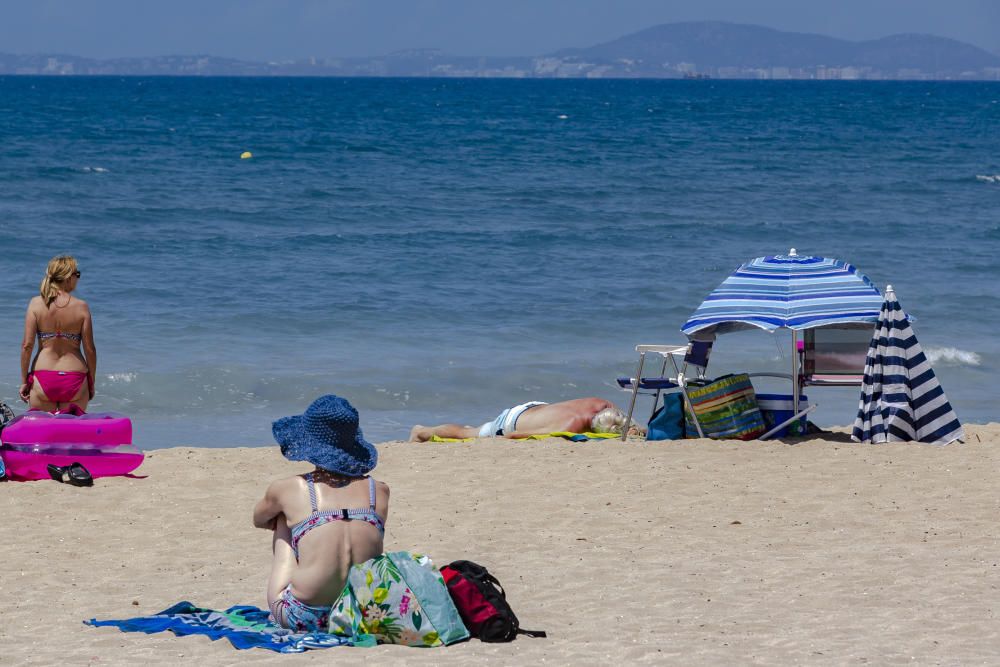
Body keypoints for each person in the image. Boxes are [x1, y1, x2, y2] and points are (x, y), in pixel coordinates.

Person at [253, 395, 390, 633]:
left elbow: (259, 519)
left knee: (283, 517)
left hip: (303, 616)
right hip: (364, 616)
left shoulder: (290, 488)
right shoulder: (378, 491)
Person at [19, 255, 97, 412]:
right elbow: (90, 349)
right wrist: (91, 381)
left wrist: (24, 381)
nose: (78, 279)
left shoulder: (35, 304)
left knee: (42, 434)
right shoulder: (81, 306)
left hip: (43, 378)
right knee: (71, 434)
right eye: (77, 274)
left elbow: (27, 346)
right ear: (68, 277)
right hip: (75, 379)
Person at [408, 397, 642, 441]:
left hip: (536, 407)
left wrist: (633, 427)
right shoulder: (568, 426)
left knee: (473, 429)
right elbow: (514, 435)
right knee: (466, 433)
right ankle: (422, 431)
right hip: (510, 421)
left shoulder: (602, 404)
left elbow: (621, 417)